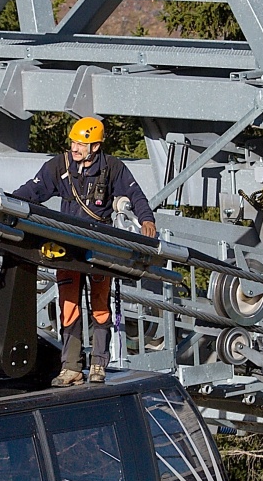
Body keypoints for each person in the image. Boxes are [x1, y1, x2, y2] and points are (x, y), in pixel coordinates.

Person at [10, 116, 157, 386]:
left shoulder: (113, 168)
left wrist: (146, 219)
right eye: (73, 142)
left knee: (100, 306)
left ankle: (99, 364)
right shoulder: (60, 166)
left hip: (100, 245)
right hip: (67, 245)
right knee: (69, 306)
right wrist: (8, 204)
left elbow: (136, 195)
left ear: (96, 146)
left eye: (81, 143)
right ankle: (71, 367)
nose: (75, 148)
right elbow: (34, 190)